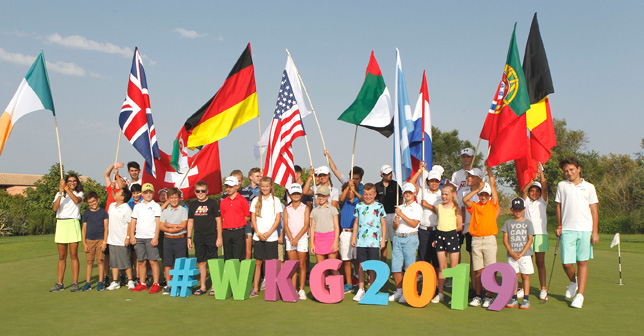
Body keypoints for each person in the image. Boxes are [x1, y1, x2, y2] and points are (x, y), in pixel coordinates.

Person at [555, 157, 599, 309]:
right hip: (567, 229)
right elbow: (559, 207)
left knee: (582, 262)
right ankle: (573, 282)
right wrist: (559, 225)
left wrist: (595, 232)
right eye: (566, 171)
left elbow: (594, 210)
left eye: (571, 170)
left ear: (578, 169)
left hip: (585, 229)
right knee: (566, 263)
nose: (569, 173)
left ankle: (580, 295)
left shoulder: (589, 187)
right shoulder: (562, 186)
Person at [463, 162, 500, 308]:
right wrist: (477, 189)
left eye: (486, 195)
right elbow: (465, 200)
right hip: (476, 240)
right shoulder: (475, 205)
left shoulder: (493, 205)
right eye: (481, 195)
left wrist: (489, 169)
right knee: (478, 271)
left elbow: (493, 185)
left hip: (489, 240)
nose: (483, 197)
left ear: (489, 196)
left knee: (490, 271)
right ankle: (478, 295)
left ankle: (488, 296)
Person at [351, 183, 387, 302]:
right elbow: (356, 223)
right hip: (361, 241)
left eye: (370, 194)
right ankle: (361, 289)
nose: (368, 196)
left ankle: (372, 288)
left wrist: (383, 240)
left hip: (374, 242)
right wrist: (354, 238)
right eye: (365, 194)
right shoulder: (359, 206)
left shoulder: (379, 206)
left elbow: (383, 224)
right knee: (361, 266)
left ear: (375, 194)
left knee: (372, 266)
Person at [50, 174, 85, 293]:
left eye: (74, 181)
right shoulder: (60, 193)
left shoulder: (79, 193)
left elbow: (76, 201)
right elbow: (55, 208)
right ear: (66, 182)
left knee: (73, 255)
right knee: (61, 256)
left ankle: (75, 283)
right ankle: (60, 283)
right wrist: (60, 193)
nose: (72, 183)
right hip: (61, 224)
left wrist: (65, 188)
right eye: (69, 181)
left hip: (73, 223)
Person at [187, 180, 222, 296]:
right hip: (198, 237)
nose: (200, 193)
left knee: (212, 262)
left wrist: (219, 237)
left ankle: (213, 286)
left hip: (211, 236)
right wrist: (188, 238)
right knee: (201, 262)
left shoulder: (213, 204)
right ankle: (202, 286)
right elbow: (190, 222)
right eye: (198, 191)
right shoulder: (192, 205)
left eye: (203, 191)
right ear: (195, 192)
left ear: (207, 191)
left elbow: (218, 221)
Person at [250, 177, 283, 298]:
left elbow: (278, 219)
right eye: (262, 186)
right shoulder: (255, 201)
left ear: (271, 187)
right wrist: (258, 232)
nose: (264, 188)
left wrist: (269, 233)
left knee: (271, 263)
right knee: (258, 262)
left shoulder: (276, 201)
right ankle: (256, 288)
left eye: (267, 186)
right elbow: (253, 218)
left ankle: (271, 288)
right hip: (258, 236)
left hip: (271, 237)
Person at [389, 182, 421, 304]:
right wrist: (396, 221)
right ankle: (399, 290)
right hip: (398, 237)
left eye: (410, 192)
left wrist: (401, 215)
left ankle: (408, 292)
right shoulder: (400, 207)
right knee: (396, 267)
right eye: (405, 192)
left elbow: (414, 224)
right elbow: (394, 227)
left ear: (414, 194)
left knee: (409, 267)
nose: (407, 194)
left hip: (410, 238)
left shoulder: (417, 207)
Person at [430, 183, 463, 303]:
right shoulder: (438, 206)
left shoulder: (456, 208)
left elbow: (459, 226)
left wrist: (449, 233)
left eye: (446, 194)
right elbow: (440, 222)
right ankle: (440, 293)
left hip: (452, 237)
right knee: (442, 267)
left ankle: (455, 295)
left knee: (454, 267)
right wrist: (439, 237)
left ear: (452, 194)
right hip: (440, 237)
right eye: (442, 194)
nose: (444, 196)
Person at [521, 164, 549, 301]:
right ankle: (523, 288)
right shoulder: (526, 202)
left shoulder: (543, 201)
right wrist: (533, 178)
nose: (534, 193)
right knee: (527, 263)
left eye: (536, 191)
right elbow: (524, 191)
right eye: (532, 191)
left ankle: (543, 289)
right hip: (527, 235)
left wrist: (541, 174)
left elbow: (544, 187)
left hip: (540, 235)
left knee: (540, 263)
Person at [128, 183, 162, 294]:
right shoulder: (138, 206)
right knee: (141, 261)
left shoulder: (156, 206)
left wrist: (156, 237)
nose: (148, 195)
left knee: (153, 261)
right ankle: (142, 283)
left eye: (150, 192)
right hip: (139, 238)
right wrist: (132, 236)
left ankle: (156, 284)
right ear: (141, 194)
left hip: (151, 237)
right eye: (146, 193)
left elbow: (158, 223)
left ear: (153, 193)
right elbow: (133, 222)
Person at [502, 198, 535, 310]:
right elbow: (505, 239)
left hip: (525, 255)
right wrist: (511, 252)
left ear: (524, 209)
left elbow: (530, 239)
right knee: (513, 276)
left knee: (525, 276)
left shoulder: (528, 223)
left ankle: (526, 299)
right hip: (512, 255)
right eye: (515, 209)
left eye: (520, 209)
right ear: (512, 210)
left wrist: (521, 253)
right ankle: (514, 298)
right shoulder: (508, 223)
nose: (518, 212)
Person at [409, 162, 442, 269]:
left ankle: (437, 283)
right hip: (423, 230)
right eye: (431, 181)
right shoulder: (423, 191)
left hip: (437, 229)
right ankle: (423, 278)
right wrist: (420, 171)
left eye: (436, 181)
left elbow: (443, 213)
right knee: (423, 257)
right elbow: (411, 183)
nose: (434, 183)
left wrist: (428, 205)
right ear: (427, 181)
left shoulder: (442, 194)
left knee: (437, 258)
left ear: (440, 182)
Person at [283, 184, 310, 300]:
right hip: (289, 239)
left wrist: (297, 238)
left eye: (298, 193)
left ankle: (301, 289)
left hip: (302, 239)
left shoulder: (305, 208)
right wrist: (291, 238)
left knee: (302, 265)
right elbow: (285, 225)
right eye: (293, 194)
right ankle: (293, 288)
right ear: (290, 195)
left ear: (301, 194)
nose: (296, 196)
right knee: (293, 265)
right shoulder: (286, 209)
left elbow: (306, 225)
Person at [106, 186, 136, 290]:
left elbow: (130, 223)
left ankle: (130, 280)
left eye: (119, 193)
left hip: (122, 239)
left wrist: (128, 237)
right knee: (113, 262)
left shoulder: (126, 208)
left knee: (126, 261)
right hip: (112, 239)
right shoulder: (111, 206)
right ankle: (115, 281)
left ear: (122, 197)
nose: (116, 194)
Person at [159, 188, 188, 295]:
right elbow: (161, 226)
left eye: (176, 197)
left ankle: (178, 284)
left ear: (179, 198)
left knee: (179, 263)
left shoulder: (183, 210)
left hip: (180, 239)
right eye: (171, 198)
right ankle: (169, 285)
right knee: (167, 263)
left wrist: (168, 225)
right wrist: (171, 228)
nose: (174, 200)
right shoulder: (165, 211)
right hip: (167, 239)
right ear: (168, 199)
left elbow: (183, 225)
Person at [338, 170, 363, 294]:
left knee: (358, 260)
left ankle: (359, 282)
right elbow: (341, 198)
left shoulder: (359, 202)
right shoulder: (343, 202)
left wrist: (355, 190)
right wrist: (348, 186)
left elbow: (363, 199)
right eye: (348, 191)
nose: (349, 193)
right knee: (346, 260)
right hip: (345, 233)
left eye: (351, 191)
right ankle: (348, 284)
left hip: (357, 233)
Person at [80, 191, 109, 291]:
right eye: (90, 202)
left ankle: (100, 282)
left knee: (100, 261)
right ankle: (88, 283)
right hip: (89, 240)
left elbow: (106, 228)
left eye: (94, 201)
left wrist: (104, 242)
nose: (92, 203)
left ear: (98, 200)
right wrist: (84, 243)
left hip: (100, 239)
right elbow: (83, 229)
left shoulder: (103, 212)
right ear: (88, 203)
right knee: (90, 261)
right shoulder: (86, 213)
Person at [220, 175, 251, 261]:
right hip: (226, 232)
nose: (228, 189)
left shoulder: (243, 200)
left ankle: (238, 274)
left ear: (237, 186)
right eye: (227, 186)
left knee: (239, 257)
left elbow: (247, 217)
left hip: (239, 231)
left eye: (231, 186)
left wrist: (237, 223)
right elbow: (222, 218)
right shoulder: (223, 202)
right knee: (228, 257)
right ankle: (230, 274)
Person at [375, 164, 401, 262]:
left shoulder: (396, 185)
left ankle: (397, 265)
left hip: (394, 215)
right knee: (383, 242)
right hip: (382, 217)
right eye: (387, 174)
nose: (390, 175)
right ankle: (384, 266)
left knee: (395, 241)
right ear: (382, 174)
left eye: (390, 173)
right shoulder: (377, 186)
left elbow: (401, 200)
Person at [310, 186, 340, 263]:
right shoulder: (314, 211)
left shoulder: (333, 209)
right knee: (321, 267)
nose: (321, 198)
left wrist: (335, 242)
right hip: (318, 239)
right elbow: (312, 228)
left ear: (328, 196)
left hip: (330, 238)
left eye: (323, 195)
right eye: (319, 195)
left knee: (333, 266)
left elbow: (336, 227)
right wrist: (312, 243)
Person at [244, 168, 262, 259]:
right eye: (257, 176)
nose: (259, 178)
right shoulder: (245, 191)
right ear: (250, 177)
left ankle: (261, 271)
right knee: (247, 248)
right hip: (248, 221)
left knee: (260, 248)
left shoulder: (262, 190)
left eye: (260, 176)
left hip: (260, 221)